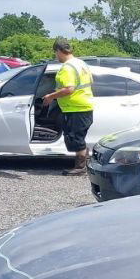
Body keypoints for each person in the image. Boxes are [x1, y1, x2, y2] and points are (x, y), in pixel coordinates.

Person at [41, 38, 94, 176]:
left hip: (74, 107)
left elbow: (69, 89)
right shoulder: (81, 63)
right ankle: (83, 163)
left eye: (55, 53)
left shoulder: (67, 67)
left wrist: (50, 96)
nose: (56, 56)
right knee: (78, 136)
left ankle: (80, 167)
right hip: (83, 105)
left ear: (58, 51)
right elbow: (90, 81)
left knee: (75, 137)